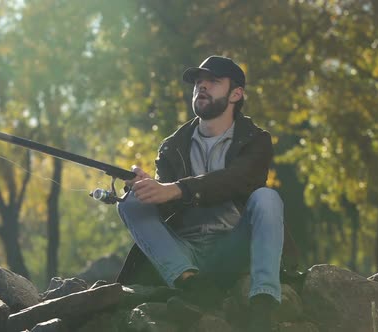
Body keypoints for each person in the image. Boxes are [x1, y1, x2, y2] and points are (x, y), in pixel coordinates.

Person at [116, 55, 287, 332]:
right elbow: (164, 205)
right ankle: (191, 285)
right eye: (198, 82)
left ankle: (263, 303)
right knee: (130, 202)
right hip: (185, 250)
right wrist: (145, 187)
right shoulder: (172, 146)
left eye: (213, 82)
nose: (202, 87)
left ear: (236, 93)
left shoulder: (256, 140)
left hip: (234, 247)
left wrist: (177, 189)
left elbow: (236, 180)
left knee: (267, 198)